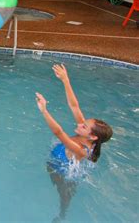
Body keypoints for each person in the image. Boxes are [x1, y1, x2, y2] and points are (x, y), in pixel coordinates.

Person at [35, 64, 113, 221]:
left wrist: (44, 111)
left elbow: (59, 133)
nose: (79, 124)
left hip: (62, 172)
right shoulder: (86, 133)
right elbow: (74, 105)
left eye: (84, 126)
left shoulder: (81, 149)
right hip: (56, 161)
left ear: (92, 137)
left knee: (64, 196)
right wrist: (65, 80)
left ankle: (62, 216)